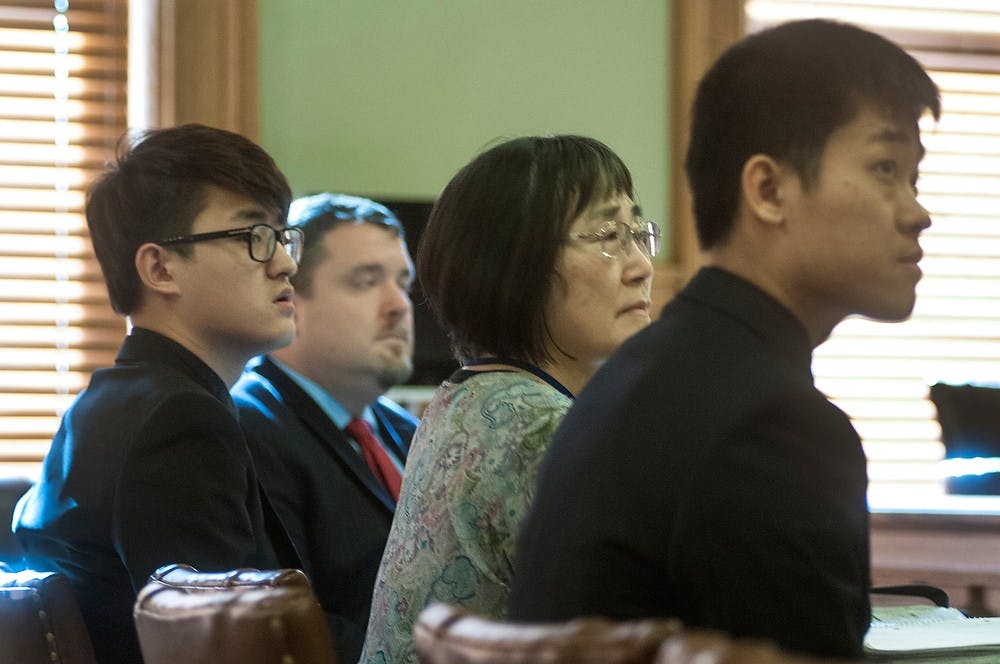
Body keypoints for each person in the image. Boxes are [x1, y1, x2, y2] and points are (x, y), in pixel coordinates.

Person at [507, 19, 940, 660]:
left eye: (914, 177)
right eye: (885, 168)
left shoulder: (648, 370)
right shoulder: (770, 425)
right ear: (768, 190)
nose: (916, 210)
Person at [360, 135, 658, 664]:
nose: (641, 266)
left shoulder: (466, 399)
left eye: (639, 233)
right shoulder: (537, 427)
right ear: (515, 265)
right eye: (610, 235)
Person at [12, 124, 303, 664]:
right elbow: (222, 652)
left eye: (284, 236)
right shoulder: (180, 421)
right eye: (252, 237)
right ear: (160, 268)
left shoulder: (108, 403)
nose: (284, 262)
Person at [231, 192, 418, 663]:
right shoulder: (246, 427)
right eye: (366, 281)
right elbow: (294, 627)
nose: (399, 305)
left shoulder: (413, 432)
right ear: (290, 295)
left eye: (403, 282)